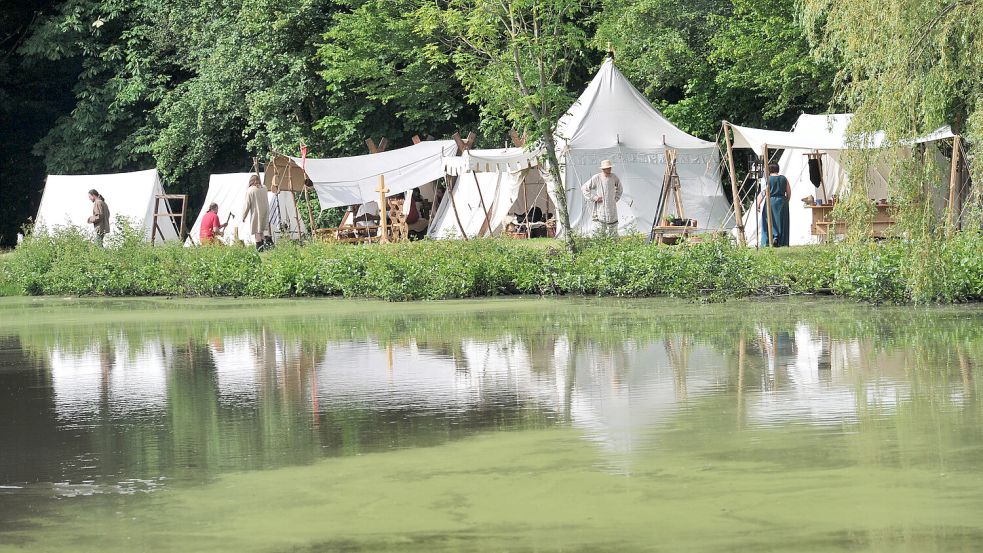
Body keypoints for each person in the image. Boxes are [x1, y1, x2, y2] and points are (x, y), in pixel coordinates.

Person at [581, 159, 622, 237]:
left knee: (613, 230)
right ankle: (601, 245)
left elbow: (620, 189)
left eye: (610, 167)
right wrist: (594, 197)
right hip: (600, 207)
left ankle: (614, 247)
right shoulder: (597, 177)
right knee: (600, 229)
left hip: (611, 208)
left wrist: (615, 199)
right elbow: (584, 188)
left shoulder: (614, 177)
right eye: (608, 168)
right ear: (603, 169)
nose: (610, 169)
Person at [758, 162, 791, 247]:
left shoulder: (768, 179)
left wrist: (758, 203)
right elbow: (789, 191)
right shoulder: (784, 178)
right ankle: (781, 241)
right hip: (782, 202)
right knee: (782, 222)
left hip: (771, 201)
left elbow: (763, 193)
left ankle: (770, 239)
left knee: (768, 220)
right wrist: (786, 201)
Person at [242, 175, 271, 251]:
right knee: (264, 229)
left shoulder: (250, 190)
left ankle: (260, 248)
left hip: (256, 212)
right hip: (265, 211)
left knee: (257, 231)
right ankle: (269, 245)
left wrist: (243, 216)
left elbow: (247, 205)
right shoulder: (264, 188)